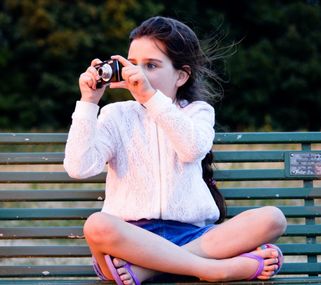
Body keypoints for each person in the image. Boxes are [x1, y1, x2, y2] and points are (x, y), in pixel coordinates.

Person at [64, 16, 287, 285]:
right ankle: (216, 270)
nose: (139, 73)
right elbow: (78, 167)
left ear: (181, 75)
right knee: (97, 225)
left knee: (273, 219)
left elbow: (191, 149)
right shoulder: (115, 115)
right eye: (133, 64)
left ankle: (156, 269)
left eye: (152, 66)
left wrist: (150, 98)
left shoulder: (198, 112)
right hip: (130, 244)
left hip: (192, 237)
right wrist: (89, 102)